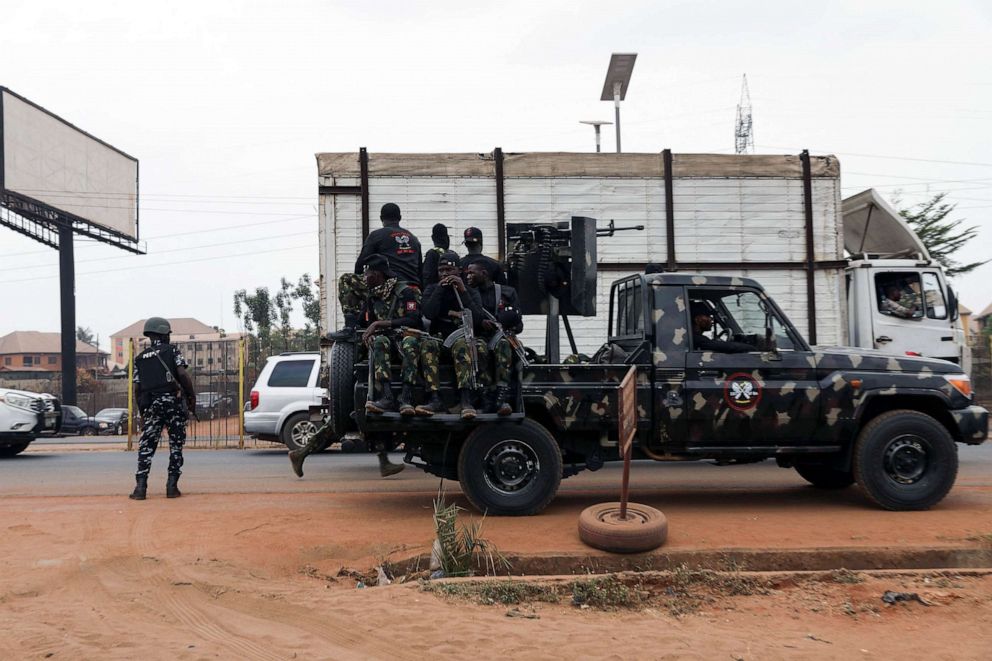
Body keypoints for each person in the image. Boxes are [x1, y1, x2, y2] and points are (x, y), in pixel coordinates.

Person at [327, 203, 423, 341]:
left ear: (381, 218)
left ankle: (350, 327)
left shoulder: (377, 235)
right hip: (413, 288)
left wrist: (363, 290)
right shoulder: (414, 239)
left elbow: (360, 265)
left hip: (390, 286)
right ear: (400, 218)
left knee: (346, 279)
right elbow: (420, 268)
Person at [129, 317, 196, 500]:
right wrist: (191, 396)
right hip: (172, 403)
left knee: (147, 446)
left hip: (151, 405)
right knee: (176, 444)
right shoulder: (172, 351)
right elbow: (182, 374)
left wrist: (143, 412)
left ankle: (140, 488)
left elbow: (137, 388)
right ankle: (172, 487)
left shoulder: (140, 359)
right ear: (164, 334)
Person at [421, 250, 488, 419]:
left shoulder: (470, 291)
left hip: (461, 337)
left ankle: (465, 399)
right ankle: (434, 398)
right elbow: (429, 313)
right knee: (427, 346)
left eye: (449, 271)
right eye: (441, 270)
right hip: (439, 337)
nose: (444, 274)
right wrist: (439, 290)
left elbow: (478, 318)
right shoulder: (431, 289)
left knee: (462, 346)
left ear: (459, 271)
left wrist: (462, 290)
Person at [466, 261, 523, 415]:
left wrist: (500, 323)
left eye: (472, 273)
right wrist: (480, 323)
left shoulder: (507, 293)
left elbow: (519, 325)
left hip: (500, 336)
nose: (468, 276)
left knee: (503, 344)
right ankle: (485, 398)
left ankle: (501, 397)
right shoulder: (469, 294)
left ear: (484, 274)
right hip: (478, 337)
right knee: (479, 348)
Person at [690, 302, 754, 354]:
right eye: (708, 316)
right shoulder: (697, 339)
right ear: (697, 320)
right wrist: (752, 348)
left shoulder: (693, 338)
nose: (711, 319)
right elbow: (730, 347)